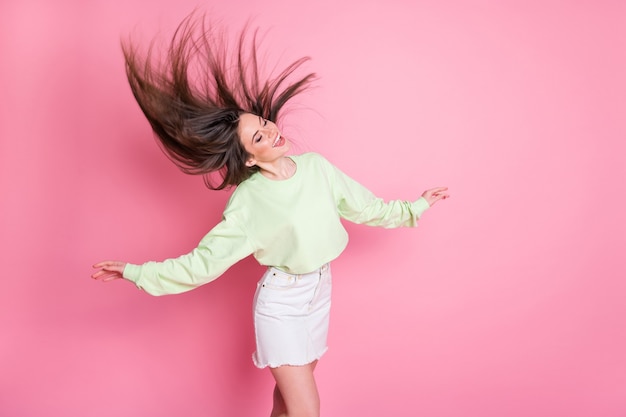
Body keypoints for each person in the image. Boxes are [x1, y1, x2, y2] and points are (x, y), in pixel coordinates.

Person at [92, 11, 449, 417]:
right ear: (247, 156)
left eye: (264, 123)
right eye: (259, 136)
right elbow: (203, 264)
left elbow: (365, 207)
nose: (272, 131)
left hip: (319, 294)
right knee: (306, 410)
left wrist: (415, 206)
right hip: (281, 303)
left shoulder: (317, 167)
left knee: (286, 402)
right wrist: (137, 272)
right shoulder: (248, 202)